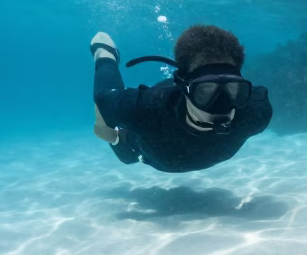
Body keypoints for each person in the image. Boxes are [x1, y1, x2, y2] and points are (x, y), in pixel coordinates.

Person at [89, 25, 272, 173]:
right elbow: (104, 98)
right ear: (183, 86)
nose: (222, 104)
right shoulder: (147, 108)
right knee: (126, 156)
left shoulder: (255, 111)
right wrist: (104, 57)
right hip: (144, 152)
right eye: (205, 92)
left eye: (233, 90)